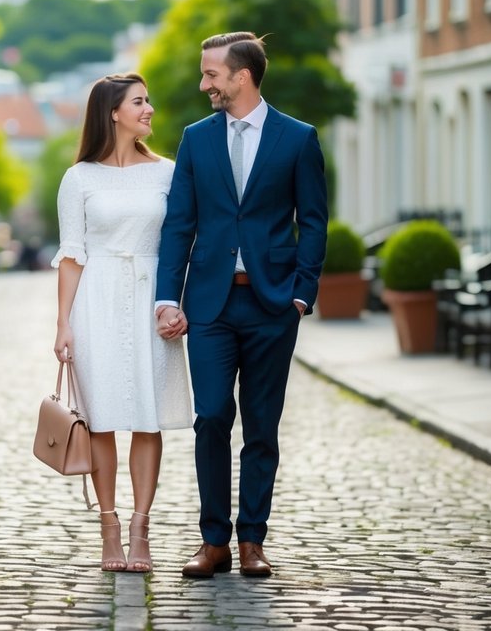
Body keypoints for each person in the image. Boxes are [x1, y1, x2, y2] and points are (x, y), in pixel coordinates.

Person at [154, 32, 327, 579]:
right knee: (211, 417)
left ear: (242, 76)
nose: (204, 83)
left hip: (273, 303)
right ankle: (214, 542)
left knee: (261, 426)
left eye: (211, 74)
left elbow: (315, 221)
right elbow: (179, 223)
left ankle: (252, 540)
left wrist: (302, 293)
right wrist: (166, 297)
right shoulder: (196, 139)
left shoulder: (298, 139)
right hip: (209, 305)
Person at [52, 73, 193, 573]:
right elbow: (72, 255)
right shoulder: (80, 178)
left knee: (147, 417)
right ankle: (109, 529)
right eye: (139, 101)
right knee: (103, 418)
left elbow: (181, 244)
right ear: (113, 112)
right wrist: (64, 324)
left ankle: (141, 530)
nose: (150, 108)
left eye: (149, 99)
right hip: (97, 302)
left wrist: (177, 303)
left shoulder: (168, 173)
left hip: (150, 299)